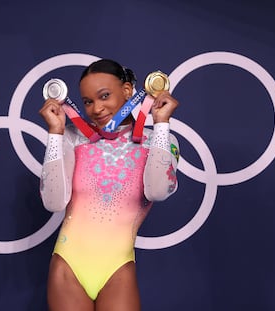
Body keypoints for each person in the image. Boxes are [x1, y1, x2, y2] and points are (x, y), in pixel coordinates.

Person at [39, 59, 179, 311]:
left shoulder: (157, 140)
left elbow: (158, 191)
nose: (97, 108)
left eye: (104, 96)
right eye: (88, 101)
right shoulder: (73, 137)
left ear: (127, 91)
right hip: (68, 266)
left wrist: (161, 124)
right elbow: (53, 201)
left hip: (118, 268)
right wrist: (55, 133)